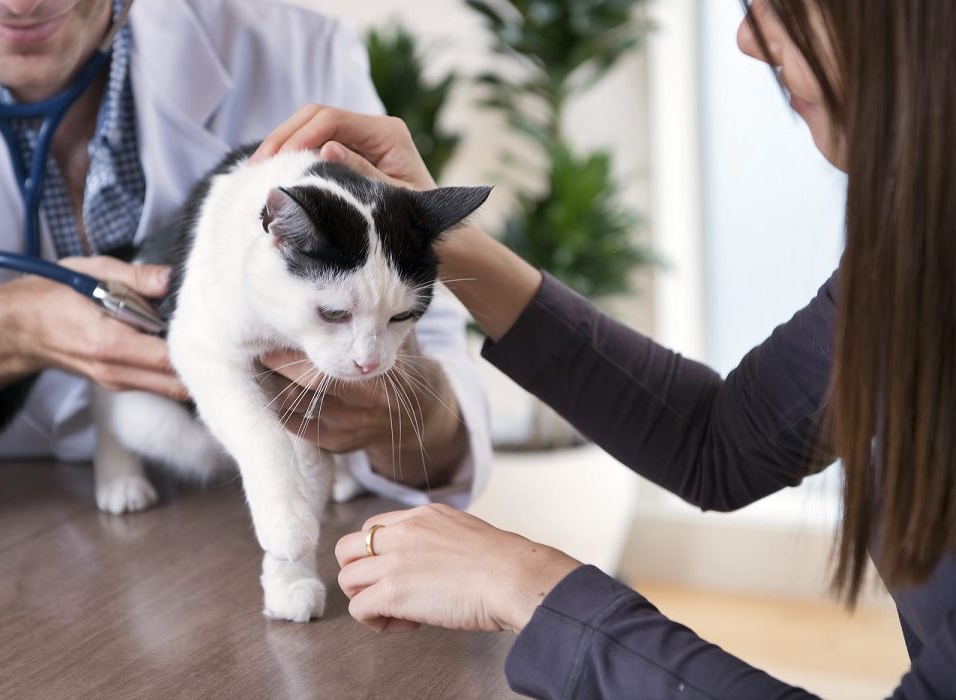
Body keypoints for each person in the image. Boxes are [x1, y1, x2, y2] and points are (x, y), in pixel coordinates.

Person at [256, 0, 956, 697]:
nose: (749, 39)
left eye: (789, 8)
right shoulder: (921, 253)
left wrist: (530, 587)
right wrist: (426, 231)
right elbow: (718, 444)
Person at [0, 0, 491, 513]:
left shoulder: (297, 52)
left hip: (213, 543)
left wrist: (419, 411)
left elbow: (446, 420)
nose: (19, 3)